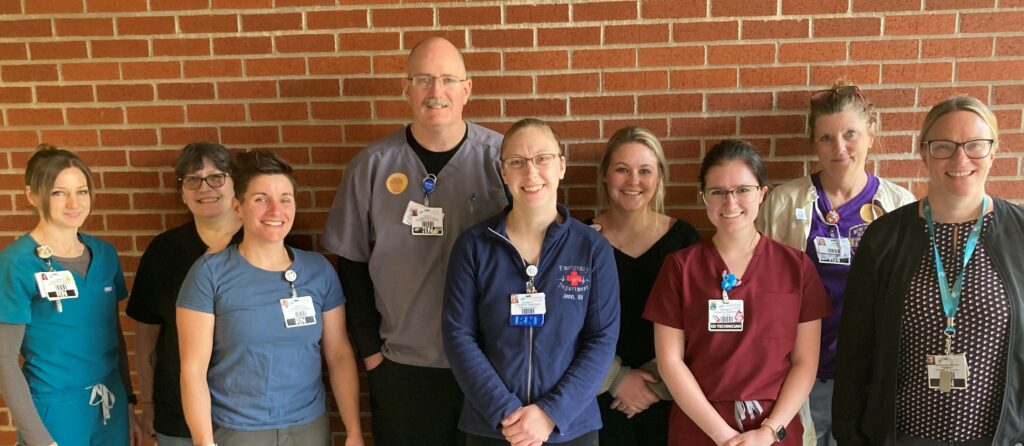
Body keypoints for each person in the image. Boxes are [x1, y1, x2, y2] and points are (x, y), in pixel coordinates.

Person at [321, 36, 507, 445]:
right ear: (406, 89)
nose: (435, 92)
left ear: (467, 89)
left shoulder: (501, 160)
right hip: (403, 367)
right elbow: (350, 267)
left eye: (447, 79)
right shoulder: (372, 166)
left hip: (491, 365)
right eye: (423, 79)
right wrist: (372, 354)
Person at [833, 96, 1024, 445]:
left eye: (975, 146)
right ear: (923, 152)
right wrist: (849, 434)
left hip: (997, 437)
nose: (960, 159)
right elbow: (855, 351)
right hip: (902, 435)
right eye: (944, 147)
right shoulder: (884, 238)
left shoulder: (1020, 235)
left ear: (993, 152)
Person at [757, 80, 916, 446]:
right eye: (826, 137)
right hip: (804, 373)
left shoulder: (899, 204)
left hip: (871, 374)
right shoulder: (783, 202)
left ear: (871, 135)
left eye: (850, 134)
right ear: (813, 141)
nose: (839, 147)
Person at [443, 118, 620, 446]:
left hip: (570, 427)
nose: (531, 172)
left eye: (543, 158)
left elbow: (602, 339)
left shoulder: (592, 249)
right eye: (517, 162)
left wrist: (551, 412)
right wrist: (505, 411)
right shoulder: (474, 246)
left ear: (561, 166)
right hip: (493, 427)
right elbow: (458, 336)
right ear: (503, 172)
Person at [645, 140, 832, 446]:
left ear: (762, 193)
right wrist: (725, 437)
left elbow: (805, 362)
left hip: (773, 428)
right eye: (718, 192)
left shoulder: (796, 267)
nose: (730, 203)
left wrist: (769, 432)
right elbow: (670, 362)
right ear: (704, 197)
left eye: (743, 190)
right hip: (700, 428)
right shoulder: (680, 267)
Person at [177, 150, 363, 446]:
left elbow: (339, 355)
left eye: (285, 199)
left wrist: (353, 429)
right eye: (261, 199)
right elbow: (192, 370)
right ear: (238, 206)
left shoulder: (319, 271)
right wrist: (204, 442)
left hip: (308, 429)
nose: (276, 211)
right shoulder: (209, 274)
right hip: (238, 431)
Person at [0, 145, 141, 446]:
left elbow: (111, 331)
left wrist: (128, 403)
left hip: (109, 403)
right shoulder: (17, 263)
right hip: (54, 409)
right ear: (32, 196)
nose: (73, 202)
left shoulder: (104, 254)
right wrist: (39, 439)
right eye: (58, 193)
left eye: (82, 191)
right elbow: (4, 359)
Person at [586, 126, 700, 445]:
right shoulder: (580, 240)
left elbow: (700, 324)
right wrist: (616, 378)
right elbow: (565, 324)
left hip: (671, 395)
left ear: (659, 177)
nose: (633, 181)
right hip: (598, 395)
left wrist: (655, 384)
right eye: (622, 169)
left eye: (645, 171)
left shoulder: (684, 240)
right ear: (605, 175)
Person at [126, 142, 243, 445]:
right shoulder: (164, 251)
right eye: (192, 180)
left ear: (235, 184)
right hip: (178, 416)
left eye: (216, 177)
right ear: (182, 193)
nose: (205, 187)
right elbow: (146, 336)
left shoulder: (261, 240)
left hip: (250, 415)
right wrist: (149, 403)